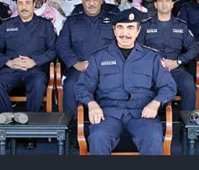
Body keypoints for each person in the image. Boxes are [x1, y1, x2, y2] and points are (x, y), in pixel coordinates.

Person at [74, 10, 176, 155]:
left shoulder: (152, 57)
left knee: (153, 137)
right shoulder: (98, 57)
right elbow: (82, 87)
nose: (125, 33)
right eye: (120, 27)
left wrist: (156, 103)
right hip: (108, 113)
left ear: (138, 30)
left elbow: (169, 86)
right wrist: (91, 104)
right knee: (98, 137)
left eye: (130, 28)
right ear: (114, 30)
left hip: (142, 113)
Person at [0, 0, 57, 148]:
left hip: (35, 70)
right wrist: (7, 62)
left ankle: (30, 131)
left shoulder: (45, 25)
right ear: (16, 5)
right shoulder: (7, 24)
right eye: (20, 3)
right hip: (11, 70)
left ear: (33, 4)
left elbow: (54, 50)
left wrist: (35, 61)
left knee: (38, 84)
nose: (24, 7)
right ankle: (10, 126)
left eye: (27, 3)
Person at [56, 0, 116, 118]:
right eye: (87, 0)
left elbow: (121, 44)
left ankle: (108, 125)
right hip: (80, 70)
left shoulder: (114, 20)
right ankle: (72, 127)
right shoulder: (72, 21)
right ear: (82, 1)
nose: (91, 3)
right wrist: (76, 63)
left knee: (115, 89)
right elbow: (61, 45)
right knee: (71, 86)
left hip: (107, 69)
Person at [136, 0, 199, 110]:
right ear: (155, 4)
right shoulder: (145, 25)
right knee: (140, 89)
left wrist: (178, 62)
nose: (164, 3)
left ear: (172, 4)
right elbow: (137, 48)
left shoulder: (181, 26)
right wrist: (154, 62)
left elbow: (194, 48)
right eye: (161, 1)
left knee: (189, 86)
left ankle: (187, 120)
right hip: (151, 70)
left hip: (175, 68)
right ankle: (146, 119)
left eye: (167, 0)